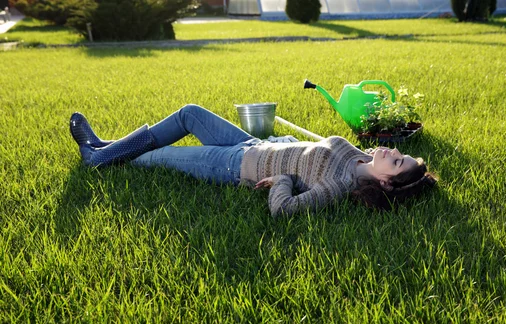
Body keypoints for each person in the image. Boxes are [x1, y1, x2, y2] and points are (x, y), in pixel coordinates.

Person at [69, 104, 437, 217]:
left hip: (232, 165)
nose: (391, 151)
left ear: (386, 183)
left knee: (158, 157)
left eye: (395, 161)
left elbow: (284, 210)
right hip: (252, 144)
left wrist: (282, 181)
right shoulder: (361, 157)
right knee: (189, 114)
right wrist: (286, 143)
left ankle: (98, 160)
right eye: (397, 153)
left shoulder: (338, 185)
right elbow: (309, 151)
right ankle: (106, 146)